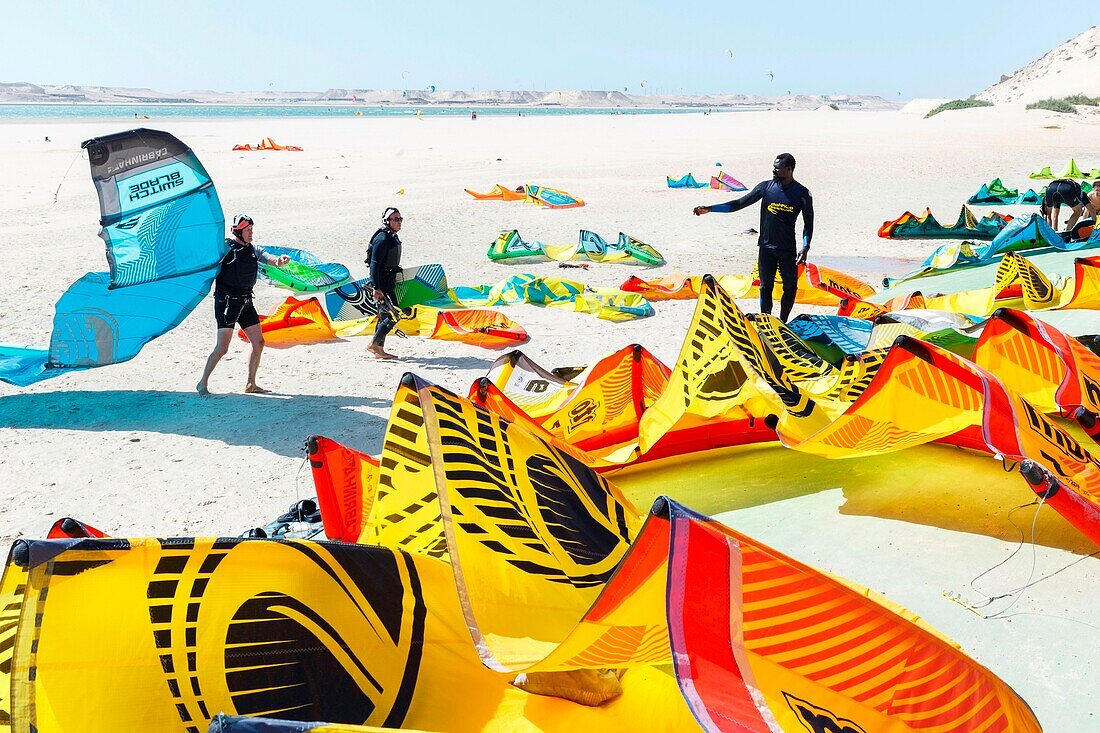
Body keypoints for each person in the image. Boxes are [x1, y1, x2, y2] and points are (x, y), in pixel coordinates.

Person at [693, 153, 813, 321]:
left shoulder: (802, 193)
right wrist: (710, 208)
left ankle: (783, 321)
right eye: (773, 167)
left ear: (789, 169)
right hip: (766, 248)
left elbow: (808, 223)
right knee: (765, 287)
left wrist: (805, 247)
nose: (773, 170)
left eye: (777, 168)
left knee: (791, 288)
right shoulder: (766, 188)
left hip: (787, 249)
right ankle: (766, 320)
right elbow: (738, 203)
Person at [196, 214, 290, 395]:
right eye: (247, 231)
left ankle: (250, 384)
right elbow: (205, 258)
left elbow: (271, 259)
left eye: (252, 230)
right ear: (238, 232)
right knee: (222, 348)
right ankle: (202, 383)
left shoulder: (254, 250)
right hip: (227, 304)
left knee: (259, 342)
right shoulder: (225, 248)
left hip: (246, 302)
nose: (251, 234)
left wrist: (281, 261)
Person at [367, 207, 405, 359]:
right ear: (387, 221)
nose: (399, 222)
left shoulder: (392, 236)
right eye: (396, 219)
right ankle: (373, 344)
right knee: (394, 315)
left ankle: (379, 350)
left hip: (389, 281)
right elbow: (374, 264)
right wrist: (376, 288)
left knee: (385, 316)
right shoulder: (382, 239)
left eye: (400, 219)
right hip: (381, 283)